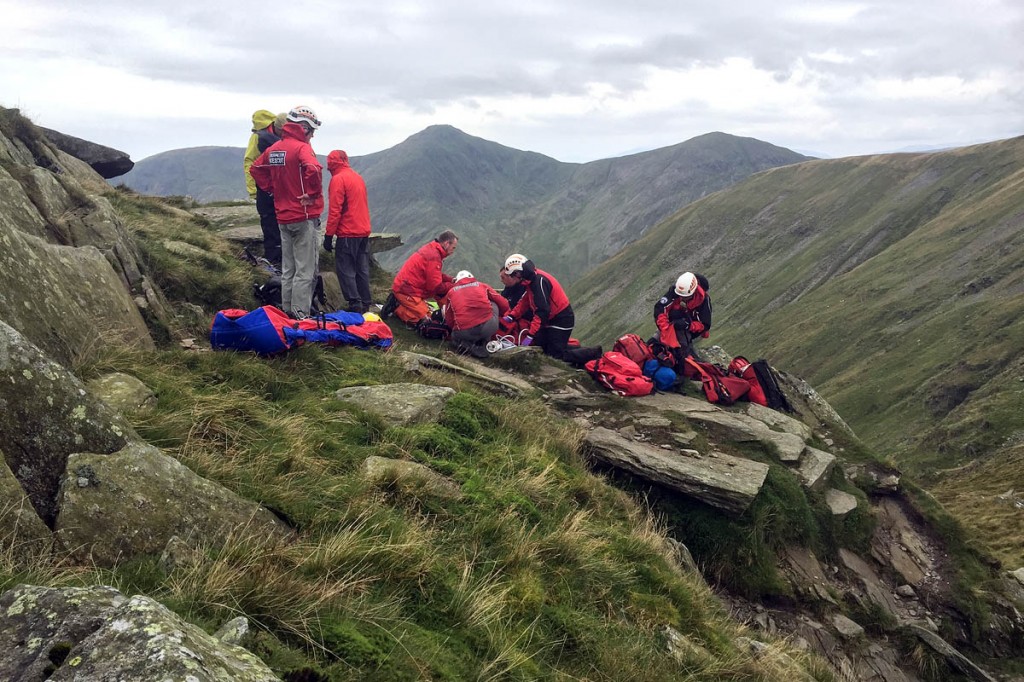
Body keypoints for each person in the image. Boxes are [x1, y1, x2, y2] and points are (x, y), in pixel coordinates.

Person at [249, 105, 324, 319]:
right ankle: (301, 315)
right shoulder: (302, 148)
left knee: (288, 268)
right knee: (305, 270)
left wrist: (272, 188)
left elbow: (256, 169)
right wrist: (312, 194)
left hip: (282, 216)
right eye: (311, 131)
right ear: (304, 128)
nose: (312, 135)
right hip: (304, 216)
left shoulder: (275, 148)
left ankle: (287, 311)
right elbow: (314, 169)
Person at [322, 150, 372, 313]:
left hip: (348, 231)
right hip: (363, 230)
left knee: (346, 269)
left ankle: (354, 303)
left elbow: (335, 210)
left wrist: (329, 235)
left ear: (331, 164)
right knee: (361, 268)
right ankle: (365, 302)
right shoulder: (357, 177)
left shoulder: (338, 180)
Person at [500, 254, 575, 359]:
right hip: (552, 318)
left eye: (511, 275)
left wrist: (530, 335)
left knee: (555, 355)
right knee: (543, 347)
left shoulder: (539, 282)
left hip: (561, 319)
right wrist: (512, 316)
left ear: (517, 273)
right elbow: (526, 300)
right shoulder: (532, 278)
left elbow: (542, 312)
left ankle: (589, 356)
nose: (512, 278)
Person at [388, 230, 458, 324]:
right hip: (407, 291)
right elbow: (435, 287)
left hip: (409, 287)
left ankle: (447, 313)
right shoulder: (434, 256)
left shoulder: (433, 249)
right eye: (453, 248)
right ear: (446, 243)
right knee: (427, 320)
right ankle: (397, 307)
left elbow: (434, 275)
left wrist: (451, 280)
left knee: (444, 290)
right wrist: (453, 286)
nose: (453, 251)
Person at [244, 110, 285, 266]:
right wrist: (253, 189)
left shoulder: (266, 136)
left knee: (276, 225)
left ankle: (277, 260)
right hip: (266, 188)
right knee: (270, 225)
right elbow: (250, 163)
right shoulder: (258, 137)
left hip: (277, 188)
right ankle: (274, 261)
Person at [444, 270, 509, 358]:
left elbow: (449, 320)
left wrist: (457, 329)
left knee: (455, 335)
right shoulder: (482, 285)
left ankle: (469, 347)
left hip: (464, 333)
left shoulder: (451, 292)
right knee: (493, 303)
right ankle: (485, 342)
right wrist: (501, 317)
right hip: (489, 328)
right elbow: (504, 304)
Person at [653, 271, 712, 363]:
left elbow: (705, 325)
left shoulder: (704, 300)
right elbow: (660, 309)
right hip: (675, 321)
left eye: (685, 296)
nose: (682, 298)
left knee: (679, 327)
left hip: (693, 327)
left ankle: (685, 355)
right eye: (680, 295)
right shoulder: (676, 291)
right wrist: (665, 330)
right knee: (673, 318)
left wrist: (688, 325)